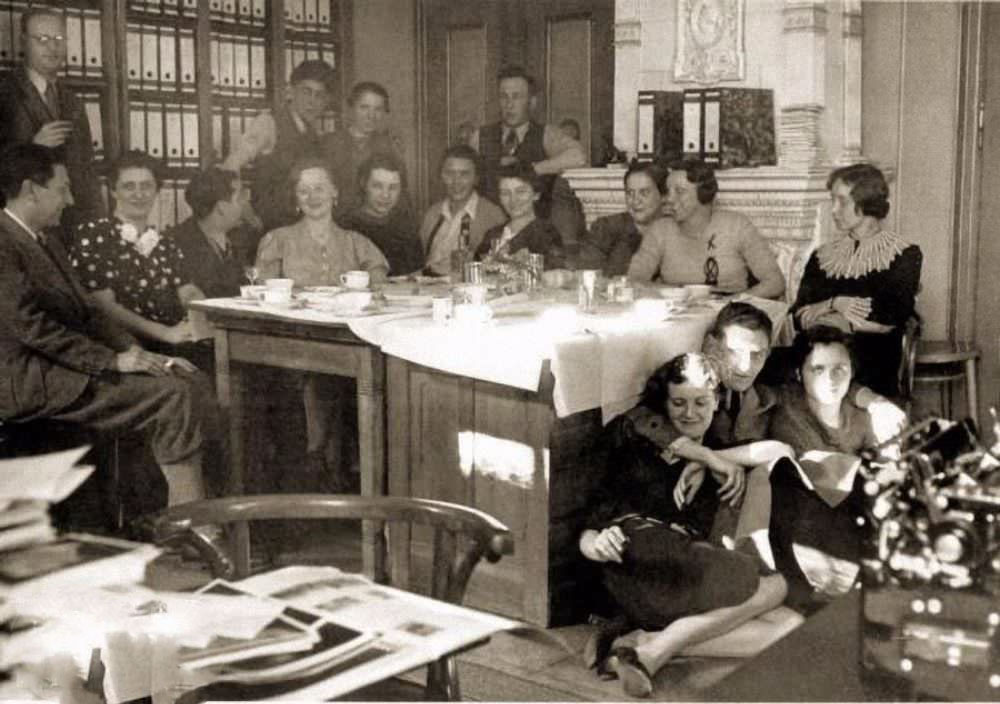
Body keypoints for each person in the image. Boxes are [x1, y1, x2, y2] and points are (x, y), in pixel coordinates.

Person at [0, 143, 207, 507]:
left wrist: (135, 352)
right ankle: (192, 526)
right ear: (31, 191)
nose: (69, 199)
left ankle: (172, 514)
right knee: (174, 394)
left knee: (186, 379)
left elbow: (91, 313)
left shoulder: (44, 240)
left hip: (62, 367)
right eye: (62, 189)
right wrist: (112, 361)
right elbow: (30, 329)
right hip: (27, 380)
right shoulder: (5, 243)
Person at [579, 353, 791, 698]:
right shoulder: (642, 442)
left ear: (717, 400)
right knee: (771, 585)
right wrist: (596, 543)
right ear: (664, 403)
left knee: (788, 628)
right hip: (638, 559)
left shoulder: (720, 452)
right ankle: (646, 645)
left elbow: (781, 450)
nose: (689, 413)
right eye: (678, 403)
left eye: (700, 402)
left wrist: (715, 461)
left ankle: (643, 647)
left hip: (686, 572)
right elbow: (592, 527)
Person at [255, 158, 388, 492]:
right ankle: (314, 468)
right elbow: (264, 291)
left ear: (335, 193)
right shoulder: (278, 239)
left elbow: (379, 272)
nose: (312, 197)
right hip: (292, 344)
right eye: (304, 190)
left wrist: (362, 286)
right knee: (314, 383)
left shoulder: (355, 241)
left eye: (319, 188)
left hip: (348, 343)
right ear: (295, 199)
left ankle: (354, 475)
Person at [766, 326, 880, 608]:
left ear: (853, 372)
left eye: (840, 368)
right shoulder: (789, 417)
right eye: (817, 369)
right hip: (809, 526)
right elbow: (825, 481)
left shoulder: (864, 416)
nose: (830, 379)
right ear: (799, 374)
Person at [791, 163, 922, 398]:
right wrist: (835, 304)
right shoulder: (822, 256)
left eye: (842, 201)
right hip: (814, 353)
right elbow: (799, 316)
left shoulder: (904, 254)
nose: (834, 209)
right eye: (833, 200)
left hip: (871, 359)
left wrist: (831, 318)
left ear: (865, 202)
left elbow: (890, 317)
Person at [68, 151, 208, 366]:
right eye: (129, 186)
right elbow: (104, 307)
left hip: (173, 338)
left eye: (146, 186)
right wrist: (165, 333)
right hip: (126, 346)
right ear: (113, 191)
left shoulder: (165, 242)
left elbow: (186, 289)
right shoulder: (94, 236)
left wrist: (197, 317)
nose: (138, 194)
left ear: (156, 190)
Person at [0, 7, 104, 245]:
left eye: (58, 39)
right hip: (21, 227)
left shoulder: (71, 100)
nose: (52, 48)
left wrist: (98, 226)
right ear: (24, 43)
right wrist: (32, 146)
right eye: (42, 39)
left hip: (71, 225)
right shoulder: (4, 92)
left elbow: (86, 169)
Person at [627, 158, 785, 299]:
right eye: (668, 192)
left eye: (680, 192)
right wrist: (678, 294)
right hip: (679, 311)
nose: (669, 199)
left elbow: (775, 282)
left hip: (730, 313)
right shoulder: (660, 230)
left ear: (703, 194)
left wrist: (734, 301)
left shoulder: (737, 225)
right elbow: (635, 279)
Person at [469, 65, 586, 249]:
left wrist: (533, 169)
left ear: (531, 102)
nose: (509, 104)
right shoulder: (480, 136)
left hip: (535, 236)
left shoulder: (546, 134)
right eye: (503, 97)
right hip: (489, 231)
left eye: (517, 97)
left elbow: (579, 157)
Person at [223, 59, 336, 235]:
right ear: (291, 91)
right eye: (307, 92)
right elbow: (229, 168)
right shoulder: (268, 123)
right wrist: (247, 213)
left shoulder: (316, 135)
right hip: (268, 231)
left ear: (327, 101)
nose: (312, 102)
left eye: (319, 95)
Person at [418, 145, 507, 276]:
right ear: (441, 176)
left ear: (476, 178)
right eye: (450, 173)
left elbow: (499, 268)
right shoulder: (432, 214)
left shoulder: (492, 215)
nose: (456, 182)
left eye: (464, 174)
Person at [324, 81, 409, 218]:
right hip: (337, 222)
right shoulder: (329, 144)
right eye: (364, 107)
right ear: (351, 108)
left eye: (378, 109)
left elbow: (401, 195)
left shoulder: (389, 145)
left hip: (377, 223)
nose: (371, 115)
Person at [335, 153, 424, 276]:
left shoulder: (407, 227)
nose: (385, 195)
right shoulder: (345, 226)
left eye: (393, 187)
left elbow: (416, 276)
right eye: (377, 186)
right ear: (363, 184)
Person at [576, 161, 669, 276]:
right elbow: (586, 274)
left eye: (644, 193)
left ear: (663, 196)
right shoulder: (606, 227)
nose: (635, 200)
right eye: (630, 193)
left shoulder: (674, 229)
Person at [170, 167, 248, 300]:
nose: (245, 204)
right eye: (240, 198)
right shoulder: (176, 244)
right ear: (221, 208)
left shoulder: (234, 239)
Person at [473, 164, 565, 268]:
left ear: (536, 194)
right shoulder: (492, 234)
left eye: (520, 192)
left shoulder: (547, 234)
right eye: (505, 193)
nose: (513, 200)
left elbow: (554, 274)